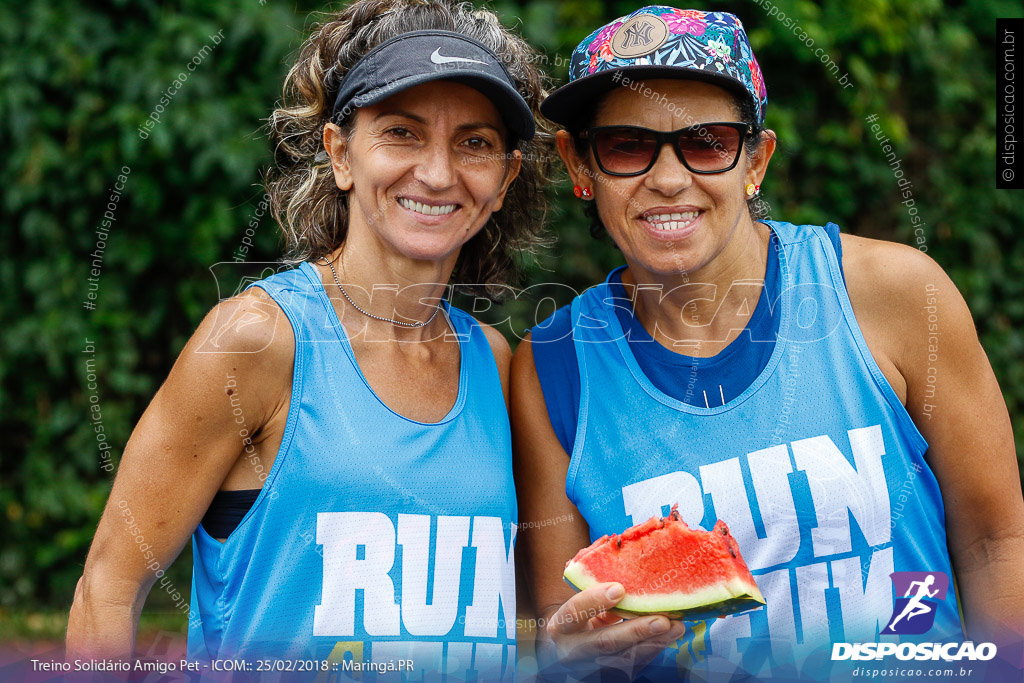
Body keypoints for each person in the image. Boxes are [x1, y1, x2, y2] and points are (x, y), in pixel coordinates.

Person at [511, 6, 1024, 681]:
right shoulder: (551, 367)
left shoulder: (895, 292)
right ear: (580, 165)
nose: (668, 178)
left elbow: (995, 540)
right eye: (628, 145)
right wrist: (562, 644)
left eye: (707, 141)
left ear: (756, 160)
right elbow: (558, 620)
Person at [66, 1, 552, 677]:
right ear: (341, 154)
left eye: (474, 142)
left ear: (504, 180)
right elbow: (109, 589)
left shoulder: (494, 364)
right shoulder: (259, 341)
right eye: (402, 134)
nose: (438, 173)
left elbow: (508, 614)